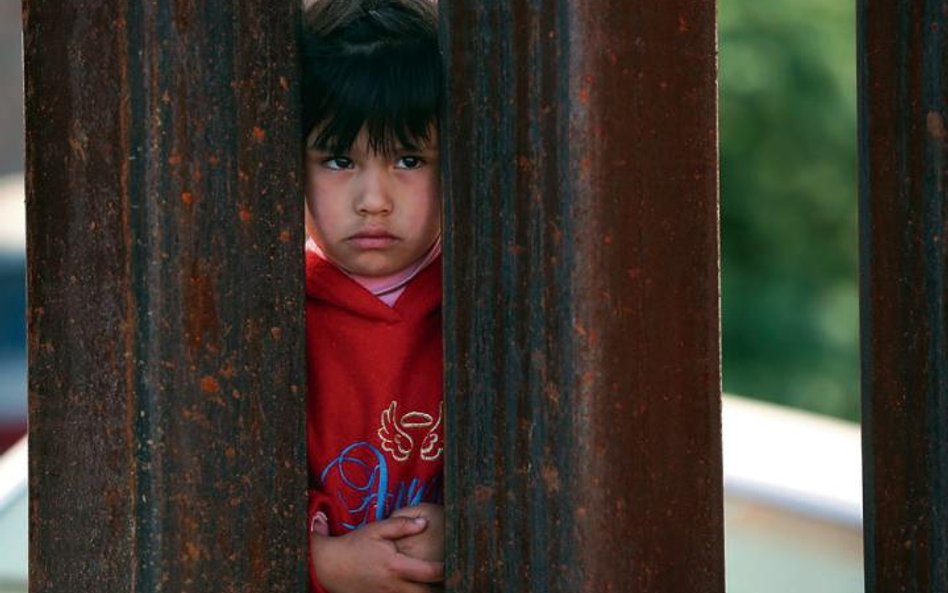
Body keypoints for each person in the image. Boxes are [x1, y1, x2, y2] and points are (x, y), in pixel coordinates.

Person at [301, 1, 446, 591]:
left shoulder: (491, 304)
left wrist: (464, 530)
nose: (373, 200)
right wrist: (325, 563)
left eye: (408, 159)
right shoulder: (270, 313)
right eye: (339, 159)